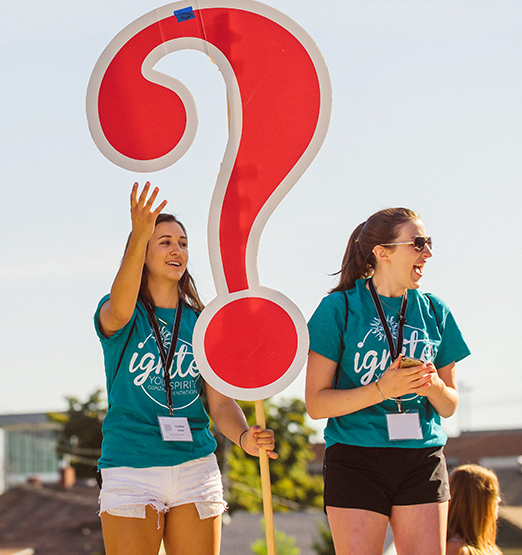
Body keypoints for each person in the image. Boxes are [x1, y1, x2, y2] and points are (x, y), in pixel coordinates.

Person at [94, 182, 277, 555]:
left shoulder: (204, 322)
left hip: (196, 467)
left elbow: (221, 404)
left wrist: (244, 438)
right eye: (164, 241)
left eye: (183, 242)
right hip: (132, 467)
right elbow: (120, 310)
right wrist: (138, 232)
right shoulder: (119, 312)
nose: (177, 249)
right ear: (141, 253)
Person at [305, 207, 470, 555]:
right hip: (356, 458)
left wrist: (435, 387)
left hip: (422, 458)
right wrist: (382, 390)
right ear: (382, 253)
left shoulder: (436, 311)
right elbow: (317, 404)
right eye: (419, 243)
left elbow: (450, 405)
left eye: (429, 243)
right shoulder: (338, 308)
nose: (428, 252)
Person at [447, 464, 502, 555]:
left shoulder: (489, 547)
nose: (499, 500)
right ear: (477, 501)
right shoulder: (456, 548)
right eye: (493, 494)